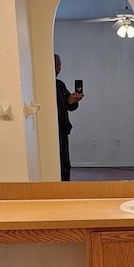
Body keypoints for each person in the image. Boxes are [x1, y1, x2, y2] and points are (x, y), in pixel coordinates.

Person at [54, 53, 84, 181]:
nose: (60, 68)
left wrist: (74, 100)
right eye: (58, 64)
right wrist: (68, 102)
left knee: (65, 162)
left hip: (63, 129)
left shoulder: (60, 85)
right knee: (58, 162)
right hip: (54, 130)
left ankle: (65, 185)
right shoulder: (46, 86)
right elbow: (55, 108)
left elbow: (70, 107)